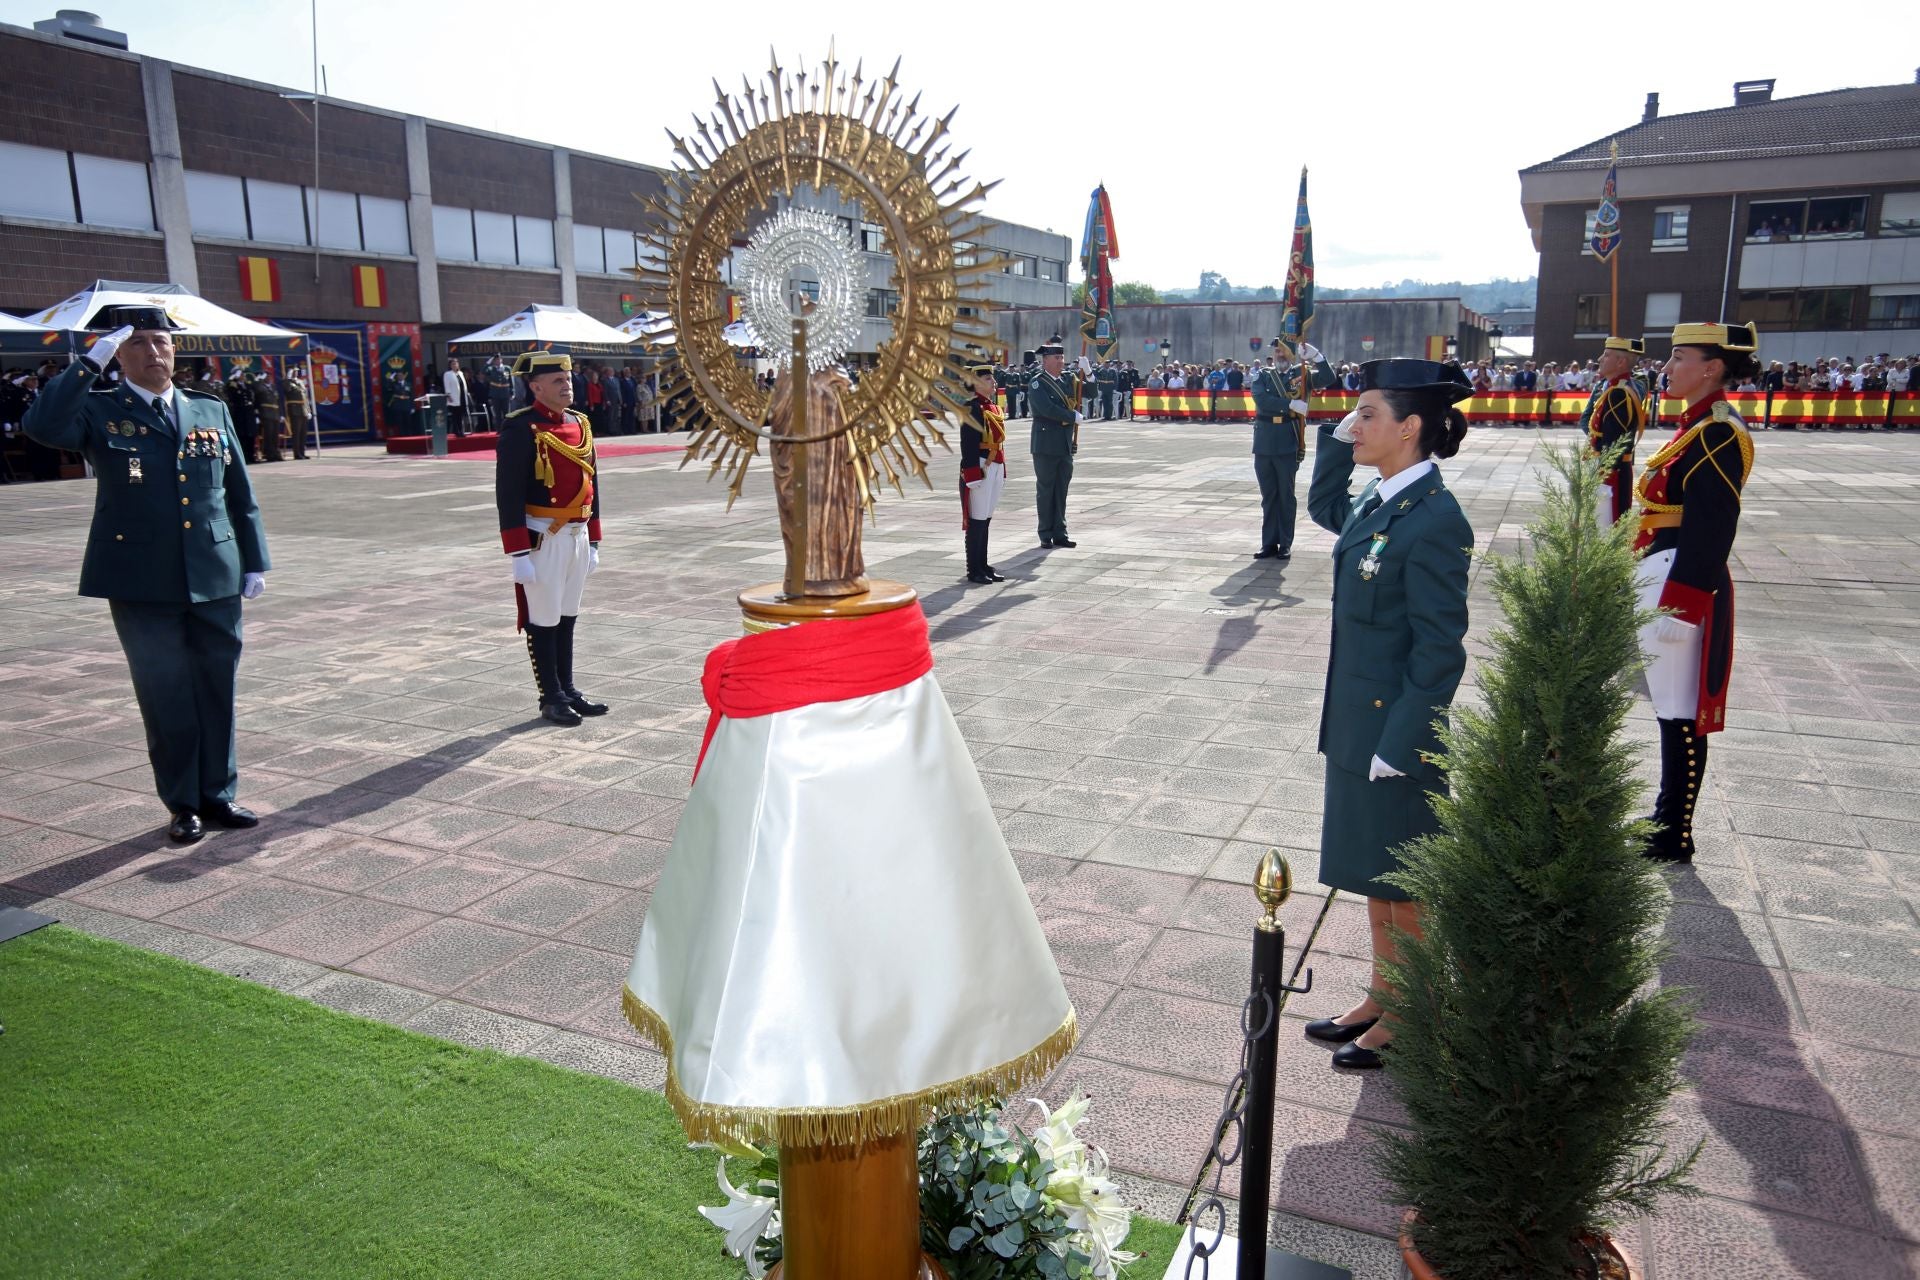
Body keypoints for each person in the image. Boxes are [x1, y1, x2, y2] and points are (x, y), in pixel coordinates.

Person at [22, 307, 270, 844]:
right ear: (120, 356)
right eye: (138, 345)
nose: (153, 352)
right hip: (141, 578)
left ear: (175, 350)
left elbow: (238, 495)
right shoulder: (98, 409)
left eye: (160, 342)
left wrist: (254, 561)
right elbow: (40, 427)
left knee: (215, 688)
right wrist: (89, 363)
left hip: (215, 573)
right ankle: (183, 804)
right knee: (165, 692)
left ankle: (218, 794)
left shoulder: (209, 409)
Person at [1302, 358, 1474, 1070]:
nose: (1355, 422)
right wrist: (1332, 443)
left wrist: (1404, 741)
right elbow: (1324, 510)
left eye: (1367, 414)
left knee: (1403, 879)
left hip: (1393, 730)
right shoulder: (1381, 498)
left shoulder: (1434, 518)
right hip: (1356, 723)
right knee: (1376, 873)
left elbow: (1441, 651)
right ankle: (1383, 993)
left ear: (1409, 427)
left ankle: (1413, 1010)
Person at [1632, 321, 1759, 864]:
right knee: (1667, 705)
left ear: (1711, 368)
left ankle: (1674, 832)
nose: (1668, 367)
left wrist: (1683, 607)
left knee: (1679, 709)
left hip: (1679, 578)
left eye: (1679, 357)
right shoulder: (1695, 427)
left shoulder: (1717, 432)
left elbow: (1712, 525)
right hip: (1661, 568)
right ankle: (1666, 818)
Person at [496, 351, 607, 727]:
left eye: (569, 378)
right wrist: (517, 552)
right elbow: (507, 493)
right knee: (543, 619)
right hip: (543, 537)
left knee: (568, 616)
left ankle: (568, 688)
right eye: (557, 380)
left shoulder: (580, 423)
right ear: (535, 386)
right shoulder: (520, 428)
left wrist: (593, 539)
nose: (567, 385)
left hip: (576, 535)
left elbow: (592, 483)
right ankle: (551, 696)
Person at [1246, 339, 1333, 560]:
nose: (1280, 354)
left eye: (1283, 350)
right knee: (1269, 496)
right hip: (1264, 443)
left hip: (1287, 440)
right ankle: (1268, 543)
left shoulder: (1302, 373)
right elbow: (1261, 399)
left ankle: (1285, 543)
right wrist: (1290, 405)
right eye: (1277, 351)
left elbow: (1328, 379)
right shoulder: (1263, 375)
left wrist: (1317, 357)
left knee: (1286, 495)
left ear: (1292, 353)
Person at [1578, 337, 1649, 527]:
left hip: (1611, 474)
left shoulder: (1619, 393)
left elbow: (1613, 445)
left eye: (1606, 355)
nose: (1600, 359)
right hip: (1610, 470)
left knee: (1604, 530)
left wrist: (1600, 478)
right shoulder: (1614, 388)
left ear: (1621, 362)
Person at [1028, 339, 1080, 549]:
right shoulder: (1037, 382)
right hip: (1046, 443)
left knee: (1061, 490)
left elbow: (1090, 392)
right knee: (1046, 489)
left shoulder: (1068, 380)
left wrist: (1090, 374)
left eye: (1062, 357)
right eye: (1056, 358)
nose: (1061, 361)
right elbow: (1046, 409)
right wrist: (1071, 415)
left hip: (1065, 444)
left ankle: (1060, 532)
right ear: (1046, 360)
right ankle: (1045, 532)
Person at [960, 363, 1008, 584]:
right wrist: (972, 474)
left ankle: (983, 564)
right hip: (980, 465)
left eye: (992, 378)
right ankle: (974, 569)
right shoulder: (971, 407)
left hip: (995, 465)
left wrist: (1002, 469)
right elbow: (968, 443)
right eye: (988, 379)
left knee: (986, 519)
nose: (993, 382)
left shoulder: (993, 406)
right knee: (977, 520)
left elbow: (998, 442)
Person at [281, 365, 311, 459]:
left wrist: (308, 410)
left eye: (297, 371)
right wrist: (288, 378)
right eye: (294, 371)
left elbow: (305, 397)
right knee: (296, 433)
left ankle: (302, 452)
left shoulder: (300, 381)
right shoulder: (286, 382)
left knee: (303, 433)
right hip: (294, 410)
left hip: (303, 409)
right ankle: (297, 454)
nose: (296, 372)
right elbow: (287, 390)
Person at [444, 357, 472, 437]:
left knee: (460, 415)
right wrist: (448, 395)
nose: (455, 365)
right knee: (455, 415)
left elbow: (464, 385)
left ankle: (461, 431)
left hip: (462, 397)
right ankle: (457, 431)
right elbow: (447, 385)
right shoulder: (448, 374)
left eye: (456, 363)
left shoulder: (460, 373)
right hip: (453, 398)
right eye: (453, 364)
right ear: (450, 365)